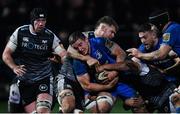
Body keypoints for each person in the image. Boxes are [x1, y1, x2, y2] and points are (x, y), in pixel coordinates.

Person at [2, 8, 68, 113]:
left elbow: (64, 54)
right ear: (32, 21)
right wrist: (14, 67)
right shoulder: (20, 32)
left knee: (43, 112)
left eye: (43, 21)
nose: (41, 24)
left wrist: (62, 60)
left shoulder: (50, 36)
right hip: (25, 81)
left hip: (44, 78)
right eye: (38, 21)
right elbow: (6, 54)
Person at [69, 31, 146, 113]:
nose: (80, 49)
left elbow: (121, 53)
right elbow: (86, 85)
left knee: (138, 105)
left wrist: (114, 72)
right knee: (102, 108)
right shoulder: (77, 61)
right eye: (76, 48)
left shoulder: (99, 41)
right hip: (103, 87)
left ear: (86, 40)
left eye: (80, 44)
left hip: (121, 79)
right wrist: (108, 87)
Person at [126, 9, 180, 112]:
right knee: (175, 99)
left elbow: (161, 54)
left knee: (176, 99)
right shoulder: (174, 29)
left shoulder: (170, 31)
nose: (153, 28)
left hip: (171, 82)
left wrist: (140, 55)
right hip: (162, 84)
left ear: (159, 23)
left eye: (153, 25)